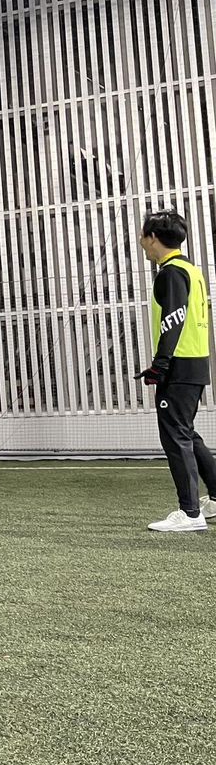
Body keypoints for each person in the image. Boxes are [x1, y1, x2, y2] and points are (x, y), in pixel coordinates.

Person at [135, 209, 216, 532]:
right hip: (195, 362)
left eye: (143, 235)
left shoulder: (170, 273)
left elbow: (174, 319)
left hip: (179, 365)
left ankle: (190, 513)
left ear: (153, 238)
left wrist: (160, 365)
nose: (141, 241)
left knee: (175, 436)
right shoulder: (190, 269)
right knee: (186, 432)